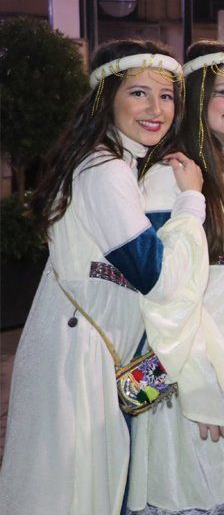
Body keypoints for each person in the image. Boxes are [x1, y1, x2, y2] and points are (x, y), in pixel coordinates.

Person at [0, 39, 208, 514]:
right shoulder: (104, 168)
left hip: (82, 348)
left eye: (167, 96)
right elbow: (156, 276)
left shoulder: (115, 164)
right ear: (106, 98)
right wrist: (190, 201)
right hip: (80, 356)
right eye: (139, 93)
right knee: (70, 487)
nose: (157, 109)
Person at [128, 41, 224, 514]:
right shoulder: (172, 177)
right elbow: (166, 298)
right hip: (181, 377)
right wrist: (204, 383)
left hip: (209, 369)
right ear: (197, 97)